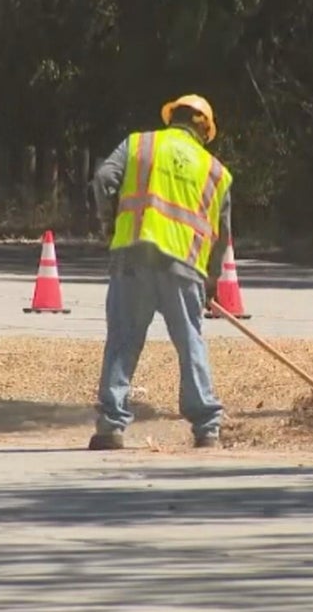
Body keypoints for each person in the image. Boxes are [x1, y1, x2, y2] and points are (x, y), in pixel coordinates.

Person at [87, 94, 234, 450]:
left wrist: (110, 222)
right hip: (184, 266)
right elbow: (222, 235)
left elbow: (104, 177)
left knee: (123, 340)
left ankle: (111, 426)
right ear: (205, 130)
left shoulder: (139, 143)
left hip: (133, 256)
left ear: (173, 117)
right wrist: (212, 282)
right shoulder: (217, 172)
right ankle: (207, 428)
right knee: (190, 344)